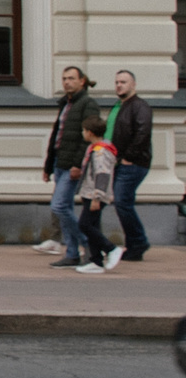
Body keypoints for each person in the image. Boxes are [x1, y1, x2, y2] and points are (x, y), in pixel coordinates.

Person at [40, 66, 98, 267]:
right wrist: (48, 166)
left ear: (82, 81)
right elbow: (57, 136)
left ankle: (91, 243)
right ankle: (72, 253)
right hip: (60, 162)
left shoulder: (87, 104)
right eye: (64, 78)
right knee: (64, 208)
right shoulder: (66, 103)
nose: (67, 82)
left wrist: (78, 164)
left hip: (72, 165)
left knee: (59, 206)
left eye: (71, 78)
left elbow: (88, 139)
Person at [109, 69, 153, 265]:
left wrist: (129, 157)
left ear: (133, 85)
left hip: (133, 163)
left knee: (122, 202)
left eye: (124, 82)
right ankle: (134, 245)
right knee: (123, 202)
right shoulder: (120, 106)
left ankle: (138, 243)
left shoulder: (139, 106)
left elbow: (143, 132)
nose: (119, 85)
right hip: (120, 162)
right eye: (117, 82)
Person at [73, 109, 122, 273]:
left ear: (90, 132)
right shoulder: (95, 148)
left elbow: (102, 175)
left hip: (96, 195)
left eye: (84, 130)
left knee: (84, 224)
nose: (82, 133)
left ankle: (111, 249)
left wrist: (97, 197)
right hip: (90, 193)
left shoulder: (101, 151)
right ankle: (96, 261)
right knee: (92, 226)